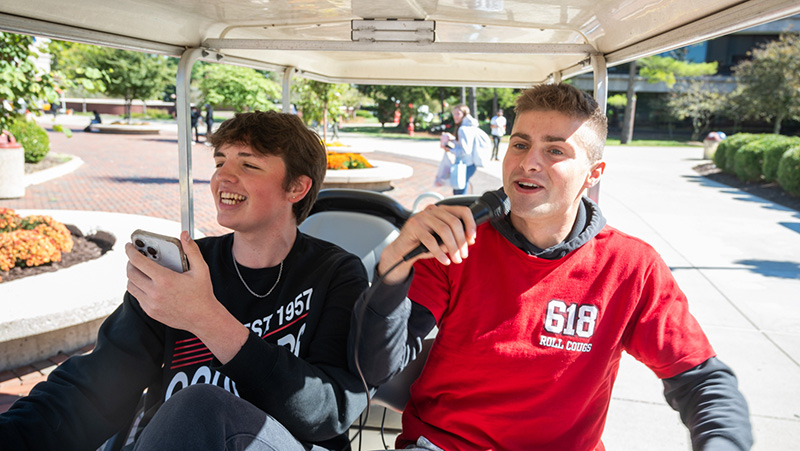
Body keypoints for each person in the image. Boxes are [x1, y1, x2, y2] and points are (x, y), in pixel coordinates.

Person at [350, 84, 752, 451]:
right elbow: (373, 367)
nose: (529, 162)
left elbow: (702, 381)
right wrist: (392, 270)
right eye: (520, 144)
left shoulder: (631, 266)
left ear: (592, 175)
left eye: (555, 150)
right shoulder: (456, 242)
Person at [0, 111, 370, 451]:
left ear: (296, 188)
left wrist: (206, 318)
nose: (223, 176)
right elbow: (98, 387)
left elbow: (328, 412)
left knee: (201, 404)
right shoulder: (186, 268)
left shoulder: (337, 273)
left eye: (249, 164)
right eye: (220, 161)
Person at [439, 104, 486, 195]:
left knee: (459, 193)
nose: (455, 116)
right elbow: (465, 144)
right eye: (454, 113)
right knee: (461, 189)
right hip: (470, 165)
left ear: (464, 114)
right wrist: (452, 139)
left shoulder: (463, 129)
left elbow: (465, 151)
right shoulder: (468, 126)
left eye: (458, 113)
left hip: (465, 165)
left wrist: (450, 150)